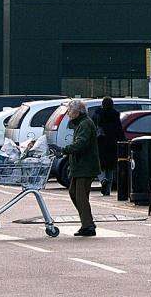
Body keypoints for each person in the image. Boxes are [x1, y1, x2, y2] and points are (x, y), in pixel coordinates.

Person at [62, 99, 100, 236]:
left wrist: (64, 150)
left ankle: (88, 225)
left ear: (77, 112)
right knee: (74, 193)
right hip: (79, 166)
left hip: (85, 165)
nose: (68, 114)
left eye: (69, 111)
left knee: (81, 197)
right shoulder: (80, 123)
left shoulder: (85, 124)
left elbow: (81, 143)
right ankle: (87, 222)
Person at [93, 96, 125, 196]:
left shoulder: (97, 115)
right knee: (110, 167)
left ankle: (103, 180)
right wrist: (123, 142)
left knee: (99, 166)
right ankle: (108, 190)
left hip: (100, 143)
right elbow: (119, 131)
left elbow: (93, 129)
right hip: (112, 144)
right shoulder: (115, 116)